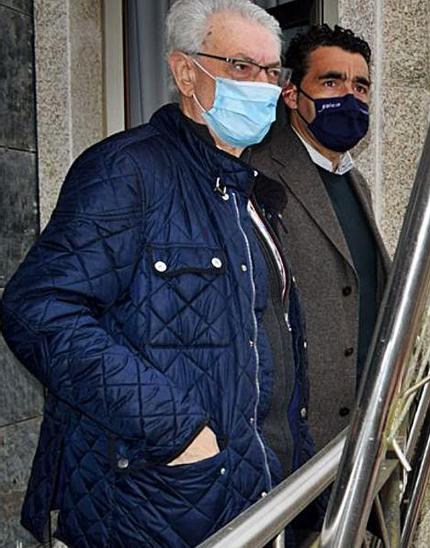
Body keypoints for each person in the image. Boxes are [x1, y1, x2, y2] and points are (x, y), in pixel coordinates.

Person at [0, 0, 314, 545]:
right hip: (153, 504)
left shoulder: (250, 192)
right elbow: (39, 308)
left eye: (271, 71)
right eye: (242, 66)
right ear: (185, 71)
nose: (263, 86)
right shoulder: (128, 170)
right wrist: (179, 432)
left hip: (251, 495)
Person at [247, 24, 388, 447]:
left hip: (360, 429)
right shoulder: (258, 175)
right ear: (292, 94)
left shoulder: (353, 181)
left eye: (360, 86)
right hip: (294, 442)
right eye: (331, 81)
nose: (349, 96)